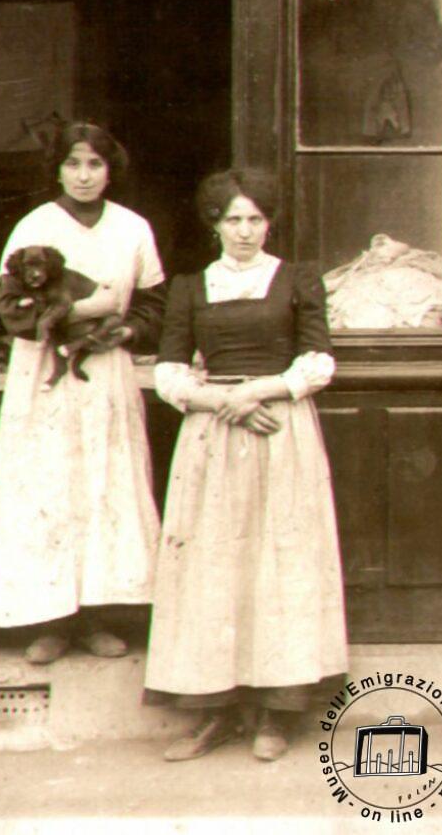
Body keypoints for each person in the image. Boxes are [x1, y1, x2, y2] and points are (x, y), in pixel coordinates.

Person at [144, 168, 347, 762]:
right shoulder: (189, 287)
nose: (245, 231)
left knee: (277, 566)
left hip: (280, 430)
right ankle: (215, 713)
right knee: (214, 567)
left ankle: (274, 714)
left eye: (255, 219)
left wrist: (257, 391)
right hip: (213, 438)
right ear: (214, 224)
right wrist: (224, 402)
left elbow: (318, 362)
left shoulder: (297, 280)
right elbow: (169, 373)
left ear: (269, 222)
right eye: (233, 219)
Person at [0, 121, 166, 664]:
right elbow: (10, 307)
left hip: (105, 373)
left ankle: (97, 616)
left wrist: (126, 329)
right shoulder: (34, 226)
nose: (84, 176)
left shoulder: (133, 228)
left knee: (102, 486)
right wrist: (85, 310)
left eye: (95, 165)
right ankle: (50, 620)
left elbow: (152, 306)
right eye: (73, 164)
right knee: (47, 488)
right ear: (57, 169)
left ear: (111, 170)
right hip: (43, 377)